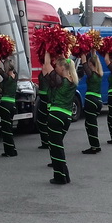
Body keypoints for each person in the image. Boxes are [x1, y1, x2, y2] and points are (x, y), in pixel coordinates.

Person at [43, 52, 77, 184]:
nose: (55, 68)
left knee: (55, 148)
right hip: (67, 117)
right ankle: (64, 175)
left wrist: (47, 50)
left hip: (56, 116)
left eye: (57, 66)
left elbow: (46, 64)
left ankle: (60, 177)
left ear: (62, 68)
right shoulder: (73, 80)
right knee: (58, 146)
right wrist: (61, 54)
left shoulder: (60, 81)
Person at [80, 50, 103, 154]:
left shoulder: (91, 74)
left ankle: (94, 146)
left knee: (90, 124)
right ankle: (96, 145)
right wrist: (93, 50)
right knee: (92, 123)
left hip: (91, 100)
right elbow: (95, 58)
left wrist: (82, 52)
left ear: (90, 64)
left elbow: (84, 63)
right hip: (98, 100)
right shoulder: (99, 74)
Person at [0, 58, 17, 157]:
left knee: (5, 129)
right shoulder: (15, 76)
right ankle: (12, 149)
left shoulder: (6, 77)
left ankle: (9, 151)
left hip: (5, 105)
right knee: (9, 128)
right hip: (13, 104)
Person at [36, 69, 51, 150]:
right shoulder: (44, 70)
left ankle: (47, 141)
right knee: (41, 121)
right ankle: (45, 141)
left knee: (44, 121)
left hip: (46, 98)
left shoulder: (49, 72)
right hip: (42, 97)